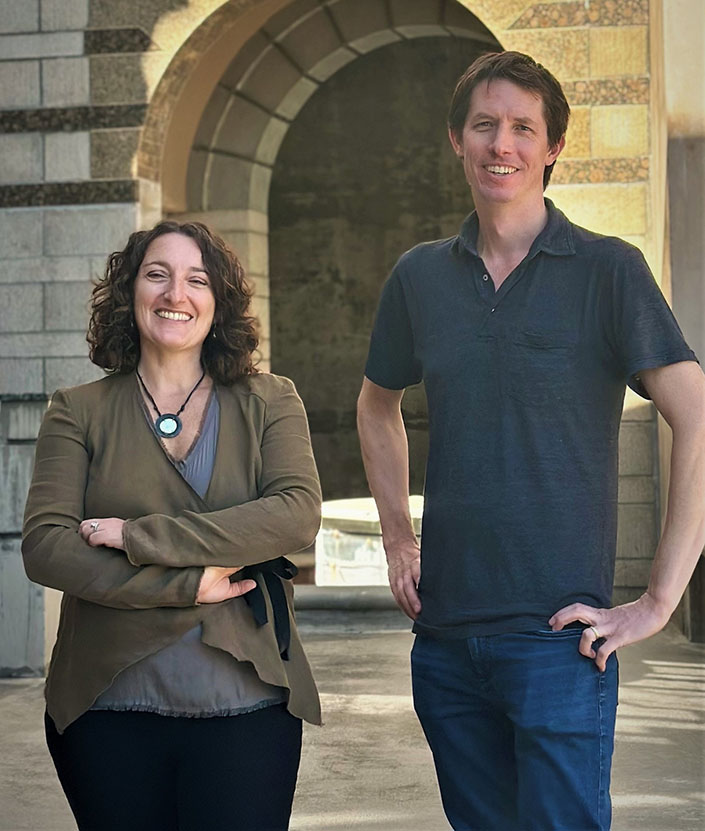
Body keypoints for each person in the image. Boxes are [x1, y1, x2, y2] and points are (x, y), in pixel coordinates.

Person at [357, 51, 705, 831]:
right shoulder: (419, 278)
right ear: (456, 139)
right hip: (445, 640)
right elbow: (376, 403)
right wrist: (396, 538)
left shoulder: (607, 271)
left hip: (558, 642)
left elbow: (697, 415)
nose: (500, 145)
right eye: (484, 125)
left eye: (522, 128)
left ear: (551, 148)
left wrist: (657, 600)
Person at [22, 220, 322, 831]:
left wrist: (140, 538)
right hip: (106, 710)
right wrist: (185, 585)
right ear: (129, 293)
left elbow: (295, 514)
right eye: (156, 275)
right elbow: (46, 548)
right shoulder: (77, 410)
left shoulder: (271, 400)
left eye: (197, 280)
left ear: (220, 303)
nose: (174, 295)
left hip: (248, 707)